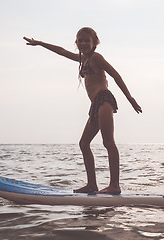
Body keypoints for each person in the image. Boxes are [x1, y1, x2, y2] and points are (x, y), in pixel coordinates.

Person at [23, 27, 142, 194]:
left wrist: (130, 98)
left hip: (104, 100)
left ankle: (114, 185)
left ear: (94, 43)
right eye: (80, 40)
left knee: (108, 142)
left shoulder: (96, 58)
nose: (83, 43)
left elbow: (115, 75)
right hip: (95, 104)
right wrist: (40, 43)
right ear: (76, 42)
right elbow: (61, 51)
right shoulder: (83, 59)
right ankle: (92, 185)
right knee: (84, 143)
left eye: (87, 40)